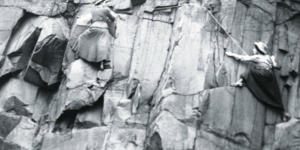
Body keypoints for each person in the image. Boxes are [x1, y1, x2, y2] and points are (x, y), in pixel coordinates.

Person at [226, 42, 291, 121]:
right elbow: (275, 66)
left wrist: (231, 54)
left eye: (255, 48)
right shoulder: (267, 57)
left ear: (257, 50)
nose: (254, 49)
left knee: (251, 69)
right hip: (270, 76)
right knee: (275, 94)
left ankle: (240, 81)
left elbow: (242, 58)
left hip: (263, 74)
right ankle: (284, 112)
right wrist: (272, 59)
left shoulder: (257, 57)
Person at [72, 0, 123, 87]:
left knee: (82, 38)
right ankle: (104, 62)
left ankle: (78, 52)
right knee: (103, 46)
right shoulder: (106, 10)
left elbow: (90, 20)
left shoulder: (93, 10)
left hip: (94, 27)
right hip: (104, 29)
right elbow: (113, 19)